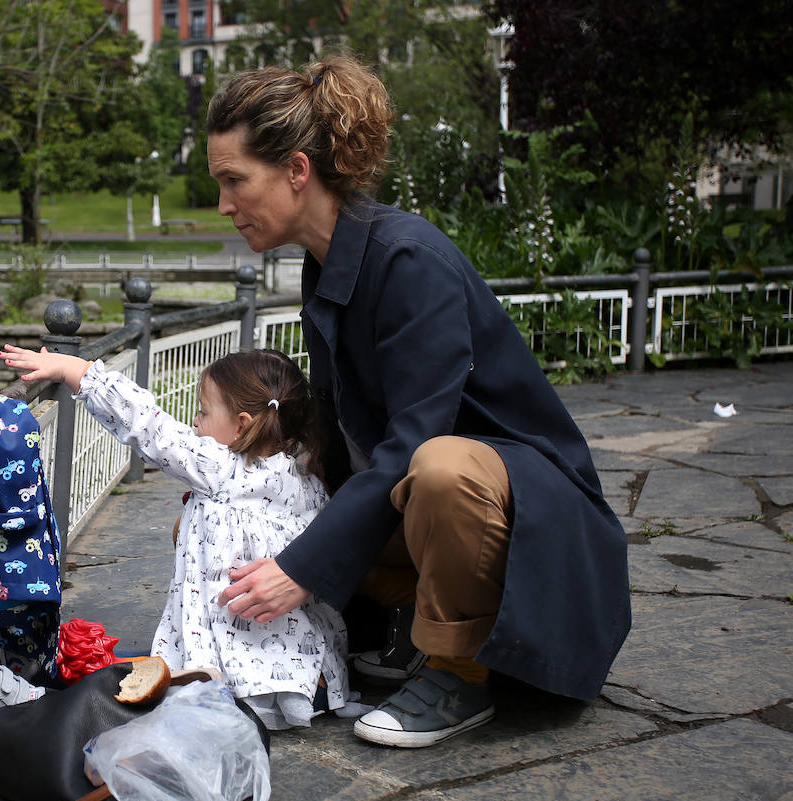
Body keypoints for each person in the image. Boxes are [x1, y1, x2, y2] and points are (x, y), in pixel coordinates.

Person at [205, 56, 631, 748]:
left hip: (537, 522)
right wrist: (241, 490)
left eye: (233, 180)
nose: (224, 204)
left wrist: (301, 569)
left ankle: (458, 671)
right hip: (440, 510)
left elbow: (408, 447)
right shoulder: (327, 264)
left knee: (437, 467)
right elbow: (340, 441)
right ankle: (407, 627)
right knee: (258, 515)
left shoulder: (407, 260)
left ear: (296, 171)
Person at [0, 344, 363, 730]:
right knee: (143, 666)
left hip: (236, 687)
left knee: (122, 682)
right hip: (303, 678)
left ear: (242, 425)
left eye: (202, 411)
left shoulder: (220, 469)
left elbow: (149, 426)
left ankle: (30, 698)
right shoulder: (306, 483)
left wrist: (76, 370)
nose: (195, 422)